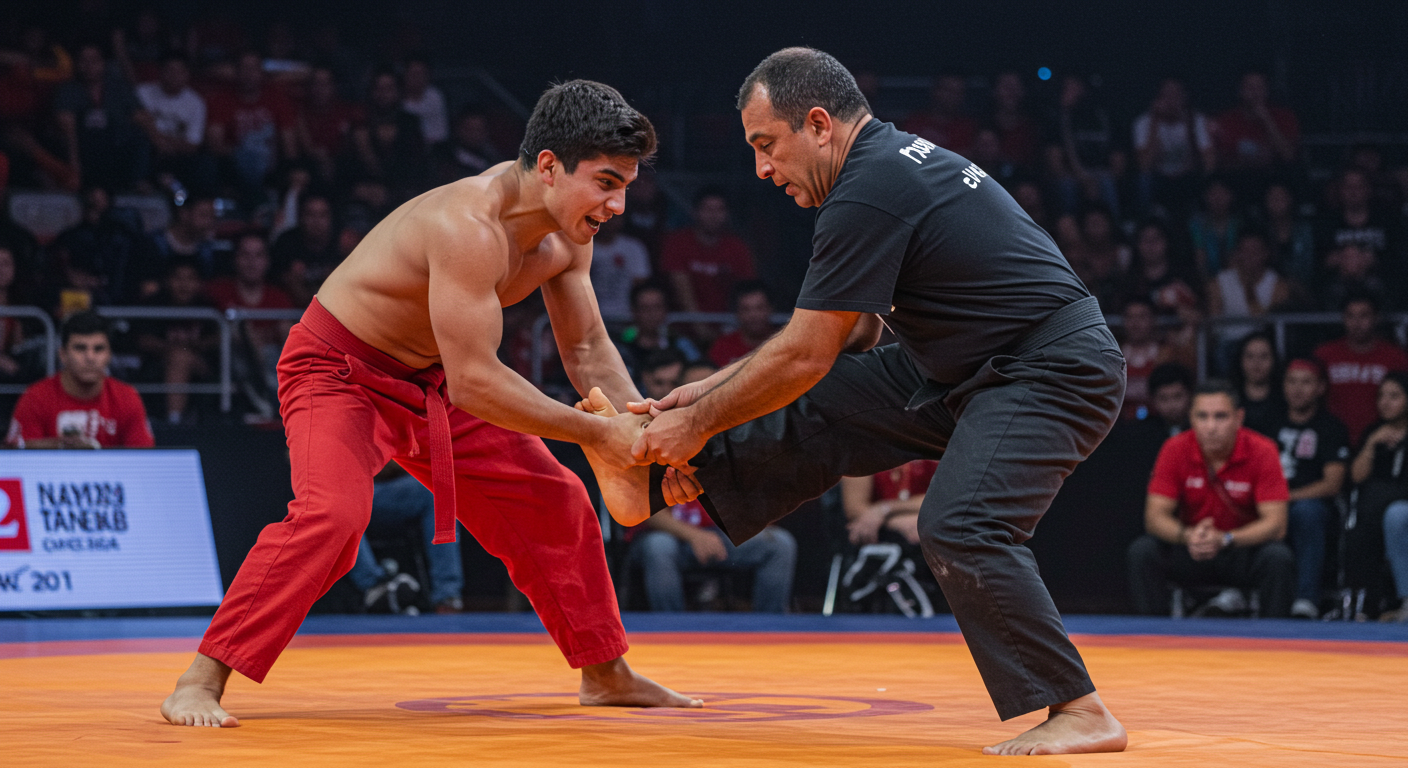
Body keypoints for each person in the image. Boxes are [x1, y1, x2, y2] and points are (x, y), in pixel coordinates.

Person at [616, 48, 1129, 755]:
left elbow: (804, 349)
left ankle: (1081, 709)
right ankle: (660, 476)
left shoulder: (868, 189)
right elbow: (849, 332)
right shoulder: (883, 165)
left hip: (1050, 368)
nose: (762, 170)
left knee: (962, 524)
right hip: (969, 368)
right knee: (826, 398)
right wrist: (709, 392)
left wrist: (700, 419)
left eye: (767, 146)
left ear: (818, 124)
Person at [160, 79, 698, 729]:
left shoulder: (567, 233)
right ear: (550, 167)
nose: (616, 205)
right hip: (342, 373)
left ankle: (606, 674)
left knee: (557, 501)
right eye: (607, 182)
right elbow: (478, 382)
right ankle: (202, 676)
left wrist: (635, 427)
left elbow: (586, 346)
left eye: (626, 187)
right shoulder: (465, 224)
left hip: (435, 378)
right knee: (333, 516)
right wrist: (591, 433)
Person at [627, 353, 796, 613]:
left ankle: (770, 631)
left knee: (780, 544)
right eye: (694, 389)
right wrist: (695, 537)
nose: (702, 396)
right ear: (679, 393)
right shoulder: (654, 433)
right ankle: (668, 633)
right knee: (659, 547)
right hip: (669, 536)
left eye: (710, 387)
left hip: (721, 536)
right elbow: (648, 511)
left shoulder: (738, 435)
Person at [1127, 381, 1294, 618]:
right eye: (1202, 417)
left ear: (1239, 418)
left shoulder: (1263, 449)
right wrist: (1188, 536)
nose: (1211, 426)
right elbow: (1154, 517)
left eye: (1221, 417)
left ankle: (1275, 640)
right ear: (1191, 419)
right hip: (1192, 546)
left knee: (1278, 557)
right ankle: (1153, 638)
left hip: (1239, 547)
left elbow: (1276, 525)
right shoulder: (1174, 448)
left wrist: (1225, 539)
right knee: (1143, 551)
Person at [1259, 359, 1349, 619]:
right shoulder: (1269, 422)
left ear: (1321, 387)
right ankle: (1238, 592)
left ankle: (1306, 599)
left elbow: (1332, 483)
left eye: (1306, 382)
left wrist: (1285, 497)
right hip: (1268, 500)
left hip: (1313, 505)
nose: (1297, 389)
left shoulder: (1331, 427)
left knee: (1305, 512)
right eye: (1292, 381)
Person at [5, 311, 154, 449]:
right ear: (63, 355)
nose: (90, 357)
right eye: (80, 348)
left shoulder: (127, 397)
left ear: (109, 355)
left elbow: (144, 458)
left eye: (98, 349)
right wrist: (61, 446)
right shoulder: (35, 397)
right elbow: (14, 454)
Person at [347, 462, 465, 614]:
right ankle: (374, 587)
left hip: (382, 489)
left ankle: (447, 596)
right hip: (343, 491)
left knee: (438, 492)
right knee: (342, 503)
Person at [1344, 372, 1408, 621]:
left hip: (1397, 511)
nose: (1385, 402)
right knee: (1367, 515)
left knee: (1391, 514)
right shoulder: (1374, 431)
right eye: (1381, 396)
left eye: (1395, 396)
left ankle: (1404, 601)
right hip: (1375, 513)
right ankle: (1368, 601)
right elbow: (1356, 477)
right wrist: (1371, 444)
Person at [1314, 293, 1408, 445]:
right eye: (1350, 316)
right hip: (1331, 439)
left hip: (1383, 439)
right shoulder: (1325, 355)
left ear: (1376, 318)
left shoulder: (1396, 357)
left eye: (1364, 315)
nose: (1356, 323)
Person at [660, 188, 756, 315]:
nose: (713, 215)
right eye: (708, 209)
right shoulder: (678, 243)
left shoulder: (737, 247)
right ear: (695, 211)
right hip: (682, 325)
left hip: (728, 323)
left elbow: (746, 289)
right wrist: (699, 325)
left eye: (719, 210)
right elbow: (680, 289)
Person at [588, 213, 651, 322]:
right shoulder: (580, 248)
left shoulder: (633, 247)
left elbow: (641, 283)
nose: (608, 221)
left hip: (629, 318)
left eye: (614, 218)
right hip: (589, 319)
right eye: (603, 217)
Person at [709, 280, 776, 367]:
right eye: (746, 309)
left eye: (759, 308)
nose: (753, 315)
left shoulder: (787, 344)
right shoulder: (723, 347)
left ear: (770, 309)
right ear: (737, 312)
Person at [1231, 330, 1284, 435]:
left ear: (1274, 360)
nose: (1256, 363)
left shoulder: (1285, 397)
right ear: (1240, 360)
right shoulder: (1229, 397)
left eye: (1264, 356)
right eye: (1250, 356)